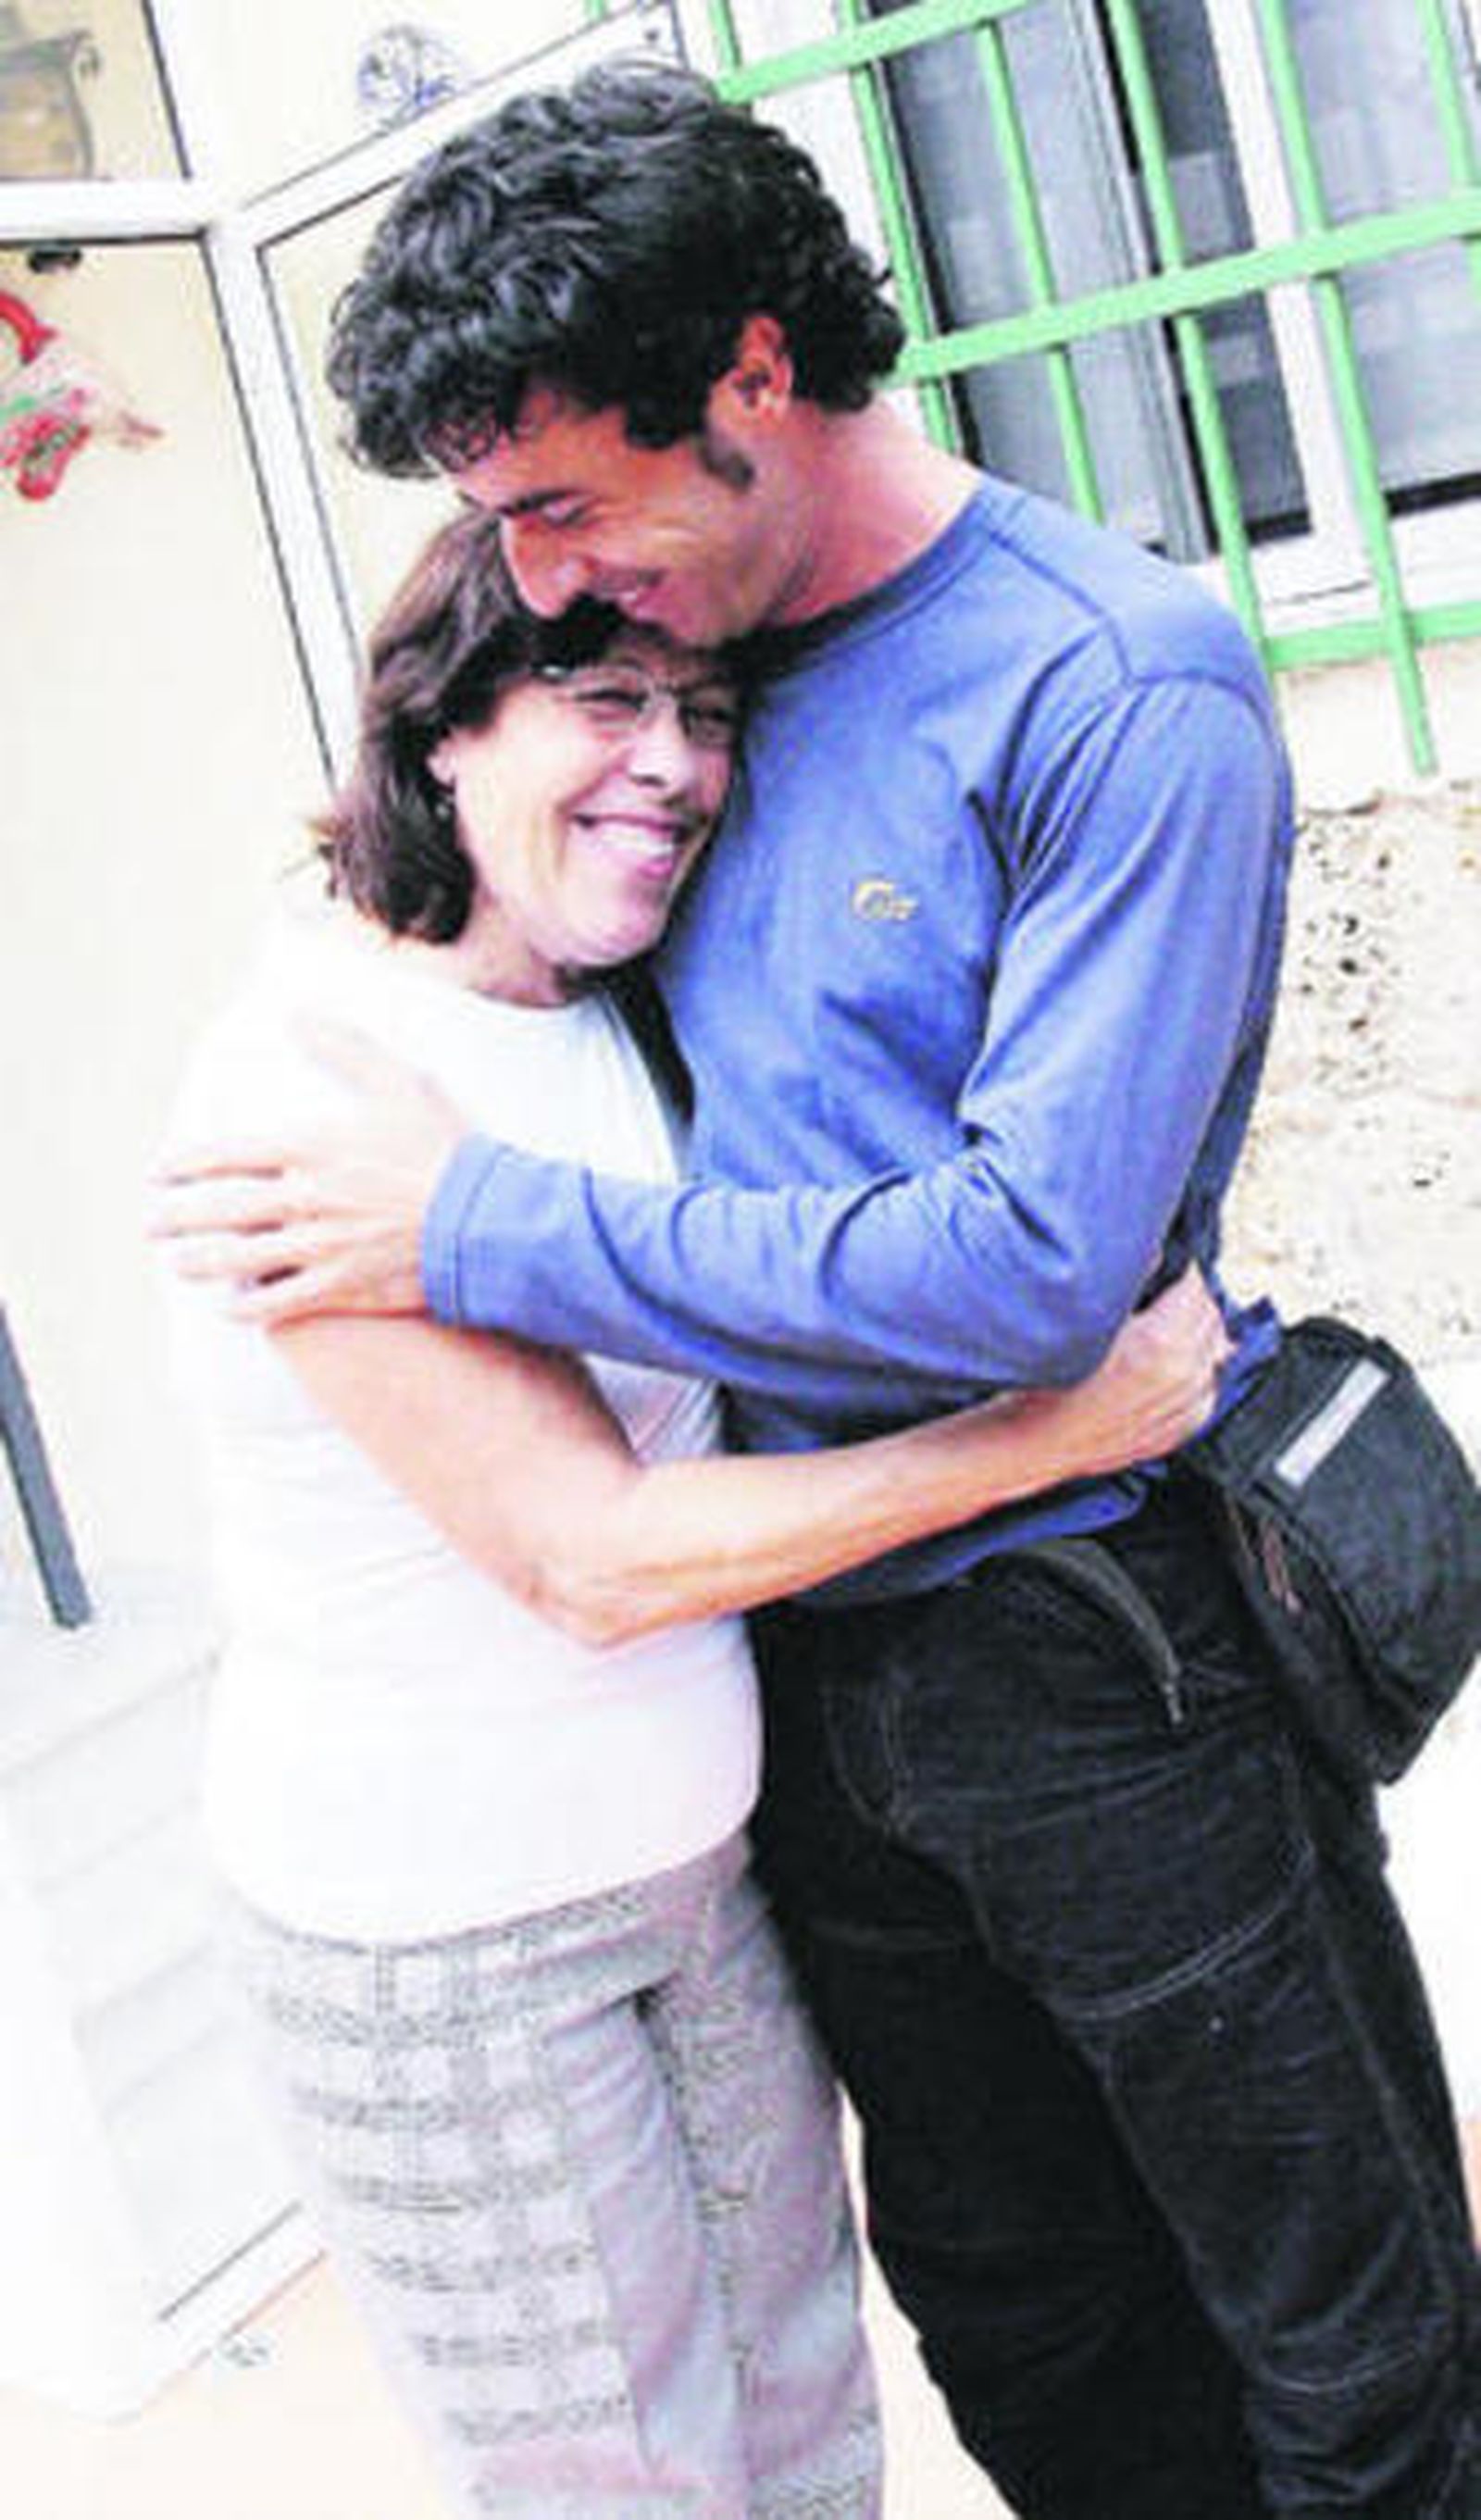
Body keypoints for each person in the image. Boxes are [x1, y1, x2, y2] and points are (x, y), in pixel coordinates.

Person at [155, 61, 1480, 2519]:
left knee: (1338, 2327)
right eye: (503, 533)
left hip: (1095, 1646)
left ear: (752, 375)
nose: (546, 579)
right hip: (785, 1672)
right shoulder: (692, 672)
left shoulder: (1112, 681)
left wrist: (466, 1221)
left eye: (563, 501)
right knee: (1015, 2309)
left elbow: (1029, 1263)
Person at [162, 504, 1232, 2520]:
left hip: (698, 1877)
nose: (671, 762)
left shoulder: (612, 1008)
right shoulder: (308, 1094)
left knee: (809, 2432)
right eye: (601, 698)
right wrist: (1052, 1428)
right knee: (623, 2482)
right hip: (452, 1937)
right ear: (440, 730)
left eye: (706, 710)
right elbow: (590, 1552)